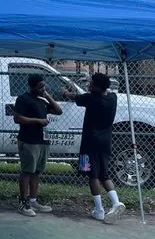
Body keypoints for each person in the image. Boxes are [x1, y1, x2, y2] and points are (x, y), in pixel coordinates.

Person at [62, 72, 126, 223]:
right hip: (105, 141)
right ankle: (116, 202)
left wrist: (64, 92)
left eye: (91, 83)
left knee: (92, 175)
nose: (89, 85)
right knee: (104, 174)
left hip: (89, 142)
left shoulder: (90, 98)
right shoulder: (112, 98)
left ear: (96, 86)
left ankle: (99, 210)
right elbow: (100, 92)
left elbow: (73, 97)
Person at [14, 73, 63, 216]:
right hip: (29, 141)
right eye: (40, 86)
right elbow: (17, 118)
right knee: (27, 171)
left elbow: (58, 111)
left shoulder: (42, 101)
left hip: (42, 141)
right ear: (32, 86)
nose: (43, 88)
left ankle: (33, 200)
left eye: (44, 86)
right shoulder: (23, 99)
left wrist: (47, 96)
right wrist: (37, 121)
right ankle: (23, 202)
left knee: (37, 172)